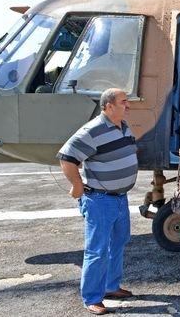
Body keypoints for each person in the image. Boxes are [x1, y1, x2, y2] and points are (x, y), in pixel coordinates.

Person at [57, 88, 138, 315]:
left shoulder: (122, 125)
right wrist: (76, 185)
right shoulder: (91, 131)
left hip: (120, 198)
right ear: (108, 106)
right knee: (97, 250)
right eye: (123, 102)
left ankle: (111, 286)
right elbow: (67, 157)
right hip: (99, 200)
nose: (128, 105)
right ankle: (92, 297)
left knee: (118, 242)